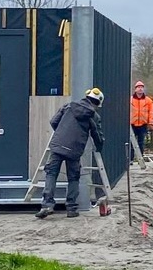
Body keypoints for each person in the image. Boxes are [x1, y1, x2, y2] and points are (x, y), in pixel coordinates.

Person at [36, 87, 105, 219]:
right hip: (75, 149)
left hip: (58, 145)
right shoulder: (93, 115)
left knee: (51, 174)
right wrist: (99, 147)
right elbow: (97, 134)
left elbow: (53, 122)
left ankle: (47, 205)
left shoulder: (68, 106)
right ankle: (71, 208)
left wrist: (62, 133)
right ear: (97, 103)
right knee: (73, 177)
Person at [130, 80, 153, 154]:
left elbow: (151, 112)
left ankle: (141, 157)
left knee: (141, 143)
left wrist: (151, 123)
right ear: (135, 89)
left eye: (141, 87)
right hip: (132, 124)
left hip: (143, 124)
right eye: (138, 87)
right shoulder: (130, 100)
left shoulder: (148, 101)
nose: (140, 89)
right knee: (131, 142)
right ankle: (130, 159)